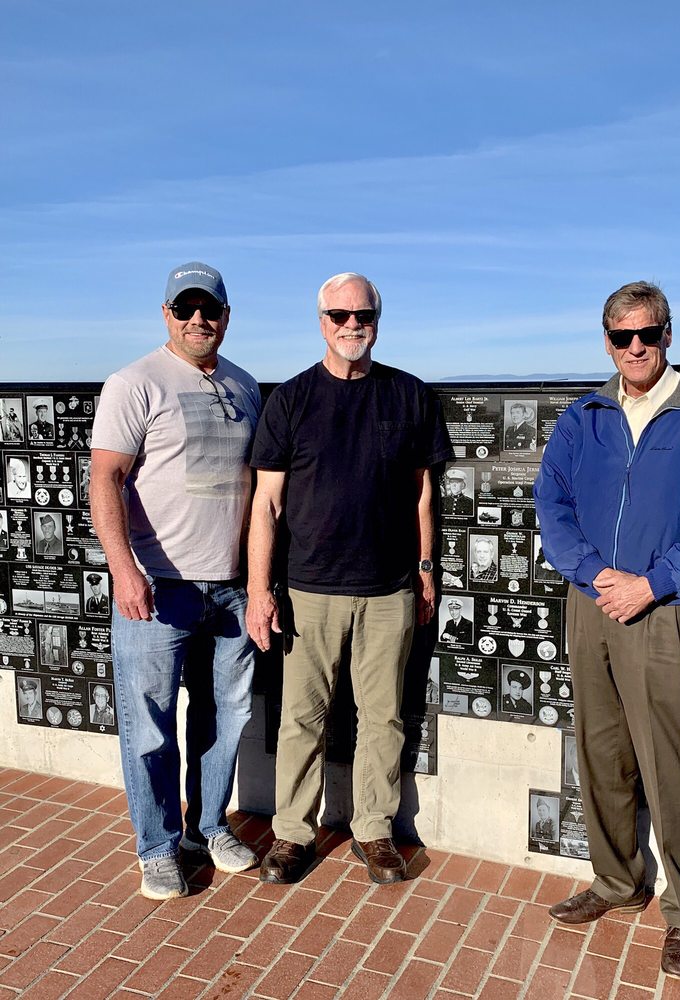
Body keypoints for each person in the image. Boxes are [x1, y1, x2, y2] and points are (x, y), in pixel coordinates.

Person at [533, 281, 680, 979]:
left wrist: (652, 584)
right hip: (594, 604)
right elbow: (552, 501)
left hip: (668, 613)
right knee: (600, 753)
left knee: (671, 765)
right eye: (622, 336)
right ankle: (616, 881)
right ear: (607, 342)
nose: (636, 347)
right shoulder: (587, 417)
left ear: (668, 334)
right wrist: (594, 572)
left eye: (648, 334)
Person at [246, 272, 453, 886]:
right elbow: (267, 503)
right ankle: (291, 834)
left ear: (377, 322)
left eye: (363, 315)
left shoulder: (409, 395)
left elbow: (423, 494)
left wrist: (425, 569)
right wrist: (259, 590)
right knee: (300, 719)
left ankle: (374, 831)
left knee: (384, 717)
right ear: (322, 323)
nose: (352, 325)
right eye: (339, 316)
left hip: (389, 589)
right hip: (308, 590)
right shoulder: (291, 400)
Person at [90, 261, 262, 901]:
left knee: (225, 718)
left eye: (209, 308)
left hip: (233, 588)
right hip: (159, 588)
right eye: (184, 308)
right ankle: (157, 847)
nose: (198, 319)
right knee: (150, 728)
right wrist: (124, 570)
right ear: (166, 314)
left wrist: (258, 582)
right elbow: (105, 479)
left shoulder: (245, 385)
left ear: (226, 315)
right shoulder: (133, 382)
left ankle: (206, 828)